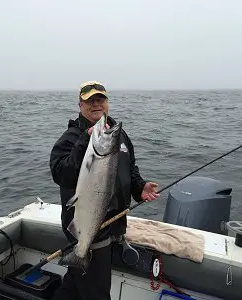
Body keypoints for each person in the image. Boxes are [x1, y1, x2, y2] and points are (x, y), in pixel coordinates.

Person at [49, 80, 160, 300]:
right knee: (97, 295)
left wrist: (140, 188)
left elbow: (129, 169)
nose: (96, 104)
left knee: (74, 286)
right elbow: (60, 173)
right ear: (80, 105)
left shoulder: (118, 134)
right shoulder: (71, 137)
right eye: (90, 100)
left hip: (113, 226)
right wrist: (84, 142)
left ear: (107, 103)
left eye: (100, 99)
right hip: (90, 230)